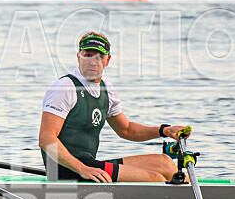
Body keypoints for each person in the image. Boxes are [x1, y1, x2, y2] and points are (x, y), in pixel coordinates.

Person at [39, 31, 188, 183]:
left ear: (107, 60)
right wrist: (82, 169)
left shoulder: (107, 89)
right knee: (154, 178)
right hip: (65, 169)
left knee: (164, 163)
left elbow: (126, 129)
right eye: (88, 55)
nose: (93, 61)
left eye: (99, 57)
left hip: (88, 165)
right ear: (78, 57)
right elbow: (46, 139)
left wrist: (164, 131)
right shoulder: (65, 88)